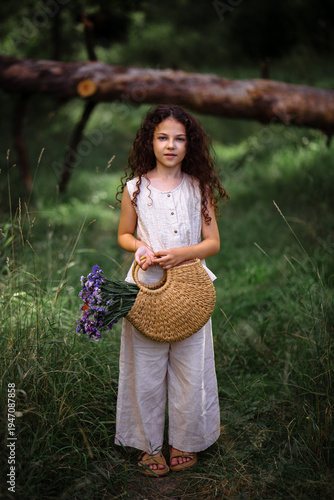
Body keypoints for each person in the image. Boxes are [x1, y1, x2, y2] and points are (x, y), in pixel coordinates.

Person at [115, 104, 229, 476]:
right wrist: (140, 247)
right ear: (150, 141)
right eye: (162, 137)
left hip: (190, 288)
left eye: (179, 139)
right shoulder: (134, 189)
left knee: (190, 363)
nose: (170, 145)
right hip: (147, 287)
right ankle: (148, 445)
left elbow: (212, 243)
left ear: (189, 144)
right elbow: (124, 234)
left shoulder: (198, 188)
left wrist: (181, 254)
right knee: (145, 367)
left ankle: (186, 439)